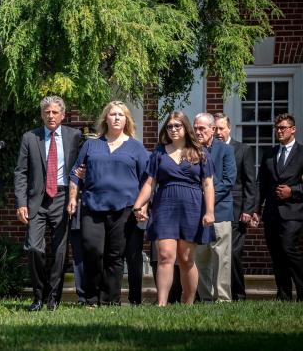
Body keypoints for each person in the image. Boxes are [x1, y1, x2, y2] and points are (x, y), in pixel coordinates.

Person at [68, 101, 150, 306]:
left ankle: (109, 300)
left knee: (115, 256)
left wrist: (143, 207)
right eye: (112, 114)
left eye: (121, 115)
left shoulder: (136, 147)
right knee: (92, 251)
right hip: (92, 206)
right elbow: (76, 173)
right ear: (106, 118)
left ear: (126, 120)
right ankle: (91, 298)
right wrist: (72, 199)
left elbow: (147, 181)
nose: (116, 118)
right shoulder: (91, 144)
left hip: (124, 210)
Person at [132, 111, 215, 306]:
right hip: (165, 206)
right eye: (170, 126)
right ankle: (162, 304)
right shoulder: (159, 152)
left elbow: (208, 184)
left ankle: (188, 303)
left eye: (178, 126)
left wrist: (210, 211)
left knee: (186, 259)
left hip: (192, 206)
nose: (173, 129)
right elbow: (149, 183)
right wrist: (138, 205)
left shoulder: (200, 152)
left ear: (186, 128)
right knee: (165, 256)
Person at [14, 95, 83, 311]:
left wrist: (75, 196)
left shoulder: (75, 136)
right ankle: (38, 296)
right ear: (42, 115)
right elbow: (21, 172)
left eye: (55, 112)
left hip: (63, 197)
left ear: (63, 115)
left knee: (60, 251)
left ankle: (53, 298)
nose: (51, 116)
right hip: (37, 200)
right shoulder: (30, 137)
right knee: (34, 247)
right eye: (47, 112)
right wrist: (21, 202)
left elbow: (81, 168)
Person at [254, 113, 302, 301]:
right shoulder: (269, 154)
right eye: (277, 128)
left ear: (293, 129)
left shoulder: (302, 153)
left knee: (289, 248)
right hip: (272, 213)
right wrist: (256, 210)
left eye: (283, 127)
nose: (279, 131)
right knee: (276, 254)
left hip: (294, 212)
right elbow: (261, 185)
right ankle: (283, 295)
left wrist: (293, 190)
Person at [213, 113, 257, 301]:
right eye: (215, 128)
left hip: (237, 211)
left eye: (221, 128)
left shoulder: (243, 149)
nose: (218, 132)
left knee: (233, 254)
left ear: (229, 128)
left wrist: (249, 210)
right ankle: (215, 293)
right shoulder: (209, 150)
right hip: (216, 208)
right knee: (216, 254)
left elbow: (250, 182)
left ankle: (238, 295)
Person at [193, 112, 236, 302]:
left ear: (212, 129)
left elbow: (228, 181)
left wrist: (207, 198)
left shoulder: (225, 150)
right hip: (196, 214)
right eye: (195, 128)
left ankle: (223, 299)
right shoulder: (190, 150)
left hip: (220, 211)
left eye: (202, 128)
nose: (198, 132)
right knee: (201, 258)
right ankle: (206, 299)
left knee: (221, 259)